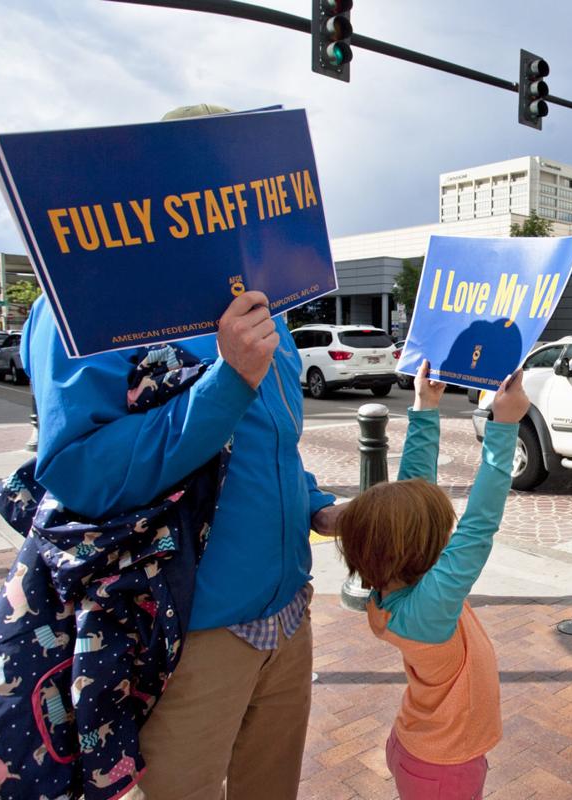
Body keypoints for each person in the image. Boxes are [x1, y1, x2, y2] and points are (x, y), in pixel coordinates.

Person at [21, 103, 339, 799]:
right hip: (190, 637)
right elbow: (80, 472)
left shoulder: (264, 300)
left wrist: (321, 508)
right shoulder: (83, 295)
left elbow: (270, 446)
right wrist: (226, 383)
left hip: (290, 618)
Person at [337, 360, 527, 800]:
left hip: (428, 749)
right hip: (443, 764)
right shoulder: (427, 610)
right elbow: (478, 528)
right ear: (420, 548)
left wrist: (425, 406)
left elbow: (411, 494)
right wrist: (503, 428)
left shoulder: (394, 587)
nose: (448, 533)